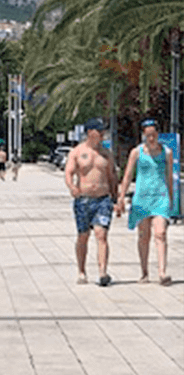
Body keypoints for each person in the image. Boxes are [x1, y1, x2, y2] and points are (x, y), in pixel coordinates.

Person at [116, 119, 174, 285]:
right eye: (148, 135)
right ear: (143, 135)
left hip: (160, 197)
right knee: (144, 236)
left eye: (153, 135)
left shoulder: (167, 152)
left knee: (160, 233)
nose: (151, 138)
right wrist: (121, 197)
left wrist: (171, 197)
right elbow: (127, 176)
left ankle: (162, 272)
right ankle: (144, 272)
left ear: (158, 134)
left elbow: (169, 176)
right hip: (142, 198)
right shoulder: (137, 152)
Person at [64, 118, 118, 286]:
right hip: (83, 200)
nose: (102, 134)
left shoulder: (106, 154)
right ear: (90, 132)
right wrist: (72, 187)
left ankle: (103, 272)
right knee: (83, 236)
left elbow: (112, 177)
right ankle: (81, 270)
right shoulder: (77, 152)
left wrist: (116, 199)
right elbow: (68, 172)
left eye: (103, 131)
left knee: (101, 235)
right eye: (99, 131)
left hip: (102, 200)